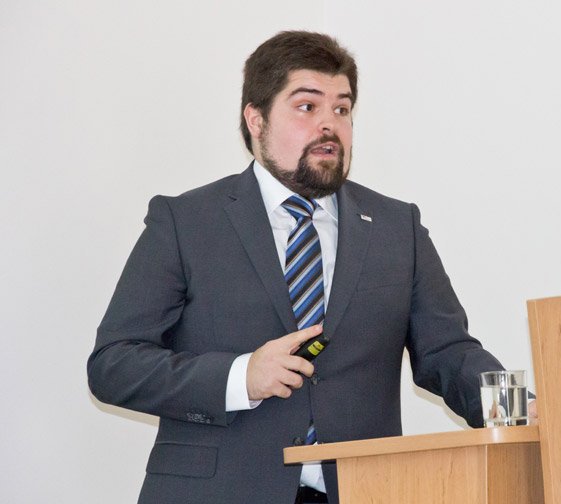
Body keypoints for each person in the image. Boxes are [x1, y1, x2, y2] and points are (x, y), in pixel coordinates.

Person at [88, 31, 514, 504]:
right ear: (256, 119)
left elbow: (448, 352)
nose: (329, 125)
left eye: (342, 109)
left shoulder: (397, 227)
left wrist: (516, 411)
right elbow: (114, 365)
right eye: (307, 107)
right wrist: (241, 377)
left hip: (361, 490)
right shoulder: (185, 222)